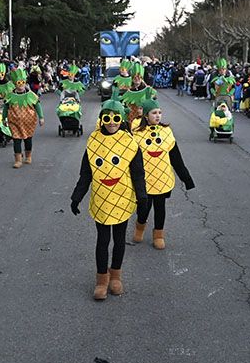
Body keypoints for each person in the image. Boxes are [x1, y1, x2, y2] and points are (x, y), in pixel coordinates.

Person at [70, 94, 146, 300]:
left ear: (122, 119)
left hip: (123, 197)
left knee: (119, 240)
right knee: (103, 240)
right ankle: (101, 280)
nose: (111, 123)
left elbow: (138, 173)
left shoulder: (130, 143)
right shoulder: (93, 141)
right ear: (101, 119)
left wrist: (143, 198)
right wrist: (76, 196)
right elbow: (86, 173)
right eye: (107, 118)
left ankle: (116, 277)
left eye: (116, 119)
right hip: (101, 199)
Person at [131, 98, 194, 249]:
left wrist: (186, 178)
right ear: (146, 115)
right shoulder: (136, 134)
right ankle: (140, 226)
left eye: (160, 112)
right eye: (154, 113)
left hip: (162, 178)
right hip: (144, 179)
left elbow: (176, 158)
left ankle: (158, 234)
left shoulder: (166, 132)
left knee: (160, 207)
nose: (158, 116)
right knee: (144, 208)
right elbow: (130, 159)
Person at [3, 68, 43, 168]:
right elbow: (5, 107)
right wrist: (4, 118)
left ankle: (28, 156)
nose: (21, 85)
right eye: (19, 83)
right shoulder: (10, 96)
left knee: (28, 140)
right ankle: (18, 160)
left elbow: (37, 105)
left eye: (23, 82)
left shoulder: (30, 95)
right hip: (14, 122)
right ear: (15, 83)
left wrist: (41, 117)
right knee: (16, 140)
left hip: (29, 122)